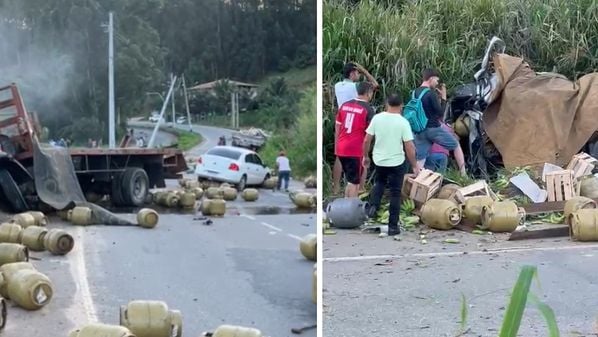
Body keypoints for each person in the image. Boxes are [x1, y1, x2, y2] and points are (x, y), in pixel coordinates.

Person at [363, 94, 419, 236]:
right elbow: (409, 146)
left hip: (379, 160)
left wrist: (365, 156)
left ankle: (373, 206)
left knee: (379, 183)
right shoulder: (403, 122)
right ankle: (393, 227)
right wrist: (414, 165)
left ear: (386, 104)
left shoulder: (377, 118)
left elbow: (366, 140)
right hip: (397, 162)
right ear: (401, 106)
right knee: (395, 193)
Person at [332, 62, 379, 195]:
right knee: (362, 158)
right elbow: (374, 85)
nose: (358, 75)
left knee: (339, 156)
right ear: (352, 73)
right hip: (356, 121)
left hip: (343, 118)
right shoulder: (355, 86)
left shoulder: (337, 85)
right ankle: (360, 188)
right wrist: (364, 71)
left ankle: (335, 187)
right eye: (357, 73)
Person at [410, 69, 458, 170]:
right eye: (436, 80)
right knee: (455, 144)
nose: (437, 83)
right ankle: (463, 173)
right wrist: (443, 98)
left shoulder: (414, 93)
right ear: (431, 78)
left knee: (420, 160)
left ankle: (416, 181)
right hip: (433, 129)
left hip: (419, 131)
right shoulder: (431, 93)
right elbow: (440, 113)